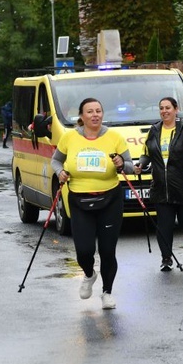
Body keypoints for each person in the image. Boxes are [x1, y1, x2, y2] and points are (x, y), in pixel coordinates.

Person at [51, 98, 133, 309]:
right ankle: (89, 274)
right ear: (81, 116)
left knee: (107, 250)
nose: (95, 115)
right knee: (84, 251)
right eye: (90, 112)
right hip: (79, 200)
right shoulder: (69, 138)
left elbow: (130, 166)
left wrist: (122, 163)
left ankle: (107, 293)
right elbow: (56, 160)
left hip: (110, 199)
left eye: (98, 111)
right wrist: (60, 172)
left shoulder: (114, 137)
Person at [134, 97, 183, 271]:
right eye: (161, 108)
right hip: (161, 188)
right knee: (163, 227)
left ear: (176, 109)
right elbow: (147, 154)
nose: (164, 111)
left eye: (168, 108)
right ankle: (166, 258)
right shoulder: (153, 131)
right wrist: (141, 164)